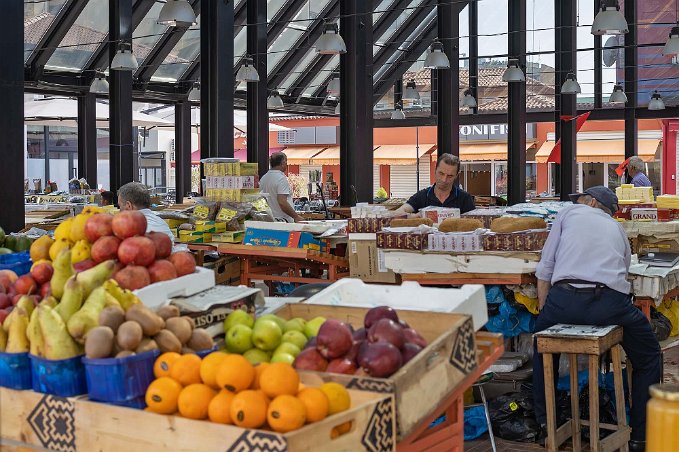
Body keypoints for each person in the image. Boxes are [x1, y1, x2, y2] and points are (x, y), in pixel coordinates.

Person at [532, 185, 661, 451]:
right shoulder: (617, 229)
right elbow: (622, 274)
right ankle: (640, 436)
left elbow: (545, 267)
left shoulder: (568, 214)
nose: (576, 202)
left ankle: (546, 423)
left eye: (579, 199)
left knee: (541, 345)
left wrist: (547, 312)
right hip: (607, 304)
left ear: (590, 202)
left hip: (564, 298)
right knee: (649, 356)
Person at [394, 153, 475, 215]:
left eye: (450, 176)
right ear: (435, 170)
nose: (444, 180)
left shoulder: (465, 199)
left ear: (456, 176)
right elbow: (398, 213)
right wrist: (417, 217)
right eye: (441, 173)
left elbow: (474, 224)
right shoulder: (422, 196)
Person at [259, 152, 303, 223]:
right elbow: (282, 202)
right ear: (283, 163)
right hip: (283, 221)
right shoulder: (281, 179)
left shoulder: (264, 178)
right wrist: (296, 216)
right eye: (286, 161)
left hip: (269, 220)